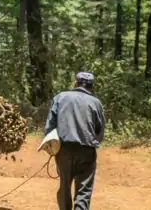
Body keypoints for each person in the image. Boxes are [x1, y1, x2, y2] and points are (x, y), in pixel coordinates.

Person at [44, 72, 106, 210]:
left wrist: (52, 146)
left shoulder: (60, 98)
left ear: (75, 83)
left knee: (64, 186)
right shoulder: (96, 103)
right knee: (83, 191)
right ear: (92, 87)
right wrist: (92, 143)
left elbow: (50, 126)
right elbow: (100, 131)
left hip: (63, 150)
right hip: (86, 151)